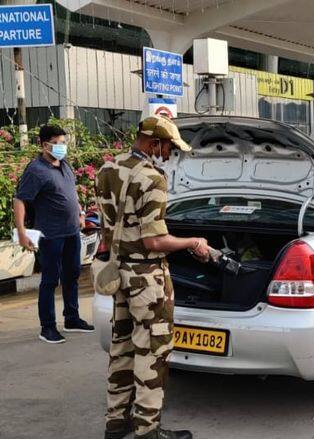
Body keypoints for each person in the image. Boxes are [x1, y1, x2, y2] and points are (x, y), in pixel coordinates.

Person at [96, 116, 213, 439]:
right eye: (169, 148)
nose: (169, 155)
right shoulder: (152, 178)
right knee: (153, 352)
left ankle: (116, 423)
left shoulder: (107, 170)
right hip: (147, 279)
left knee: (122, 348)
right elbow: (155, 241)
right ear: (153, 143)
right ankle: (148, 430)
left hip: (119, 273)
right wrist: (193, 242)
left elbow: (108, 230)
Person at [14, 124, 94, 344]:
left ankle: (72, 318)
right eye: (56, 143)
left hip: (71, 232)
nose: (61, 147)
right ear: (43, 144)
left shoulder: (65, 165)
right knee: (50, 280)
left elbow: (72, 192)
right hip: (50, 234)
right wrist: (21, 232)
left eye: (63, 142)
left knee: (72, 275)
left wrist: (79, 213)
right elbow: (20, 199)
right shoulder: (35, 170)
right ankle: (47, 327)